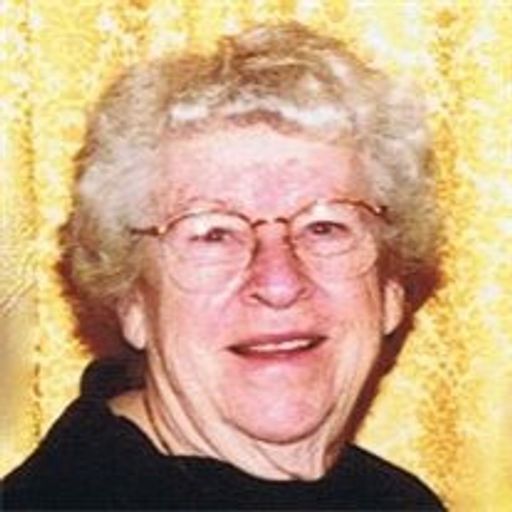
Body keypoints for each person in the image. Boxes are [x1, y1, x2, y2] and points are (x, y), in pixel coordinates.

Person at [3, 22, 444, 510]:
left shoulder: (393, 500)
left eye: (324, 227)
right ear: (132, 301)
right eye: (213, 233)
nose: (279, 283)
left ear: (390, 288)